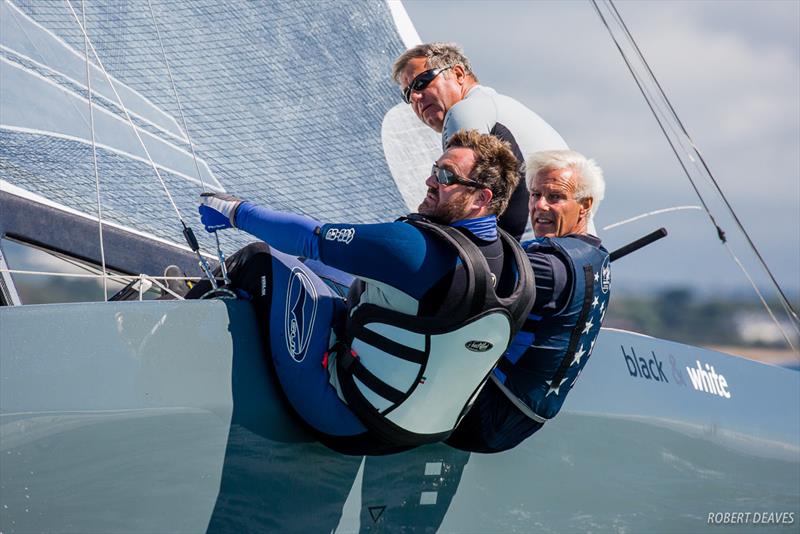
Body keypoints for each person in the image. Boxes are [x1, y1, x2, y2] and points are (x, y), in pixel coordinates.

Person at [190, 130, 535, 454]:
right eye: (434, 170)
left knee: (261, 259)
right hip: (420, 433)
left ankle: (169, 334)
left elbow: (309, 237)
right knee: (333, 277)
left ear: (481, 198)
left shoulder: (415, 247)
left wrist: (236, 211)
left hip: (345, 420)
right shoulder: (517, 268)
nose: (431, 181)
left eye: (446, 177)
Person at [446, 149, 611, 453]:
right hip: (521, 418)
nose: (539, 206)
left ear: (585, 206)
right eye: (535, 194)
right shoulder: (595, 257)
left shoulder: (547, 267)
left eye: (555, 197)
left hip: (484, 414)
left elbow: (454, 280)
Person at [392, 42, 570, 240]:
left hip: (529, 256)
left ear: (458, 74)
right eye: (407, 94)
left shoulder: (465, 111)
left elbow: (458, 200)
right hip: (563, 254)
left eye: (421, 82)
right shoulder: (500, 106)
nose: (415, 97)